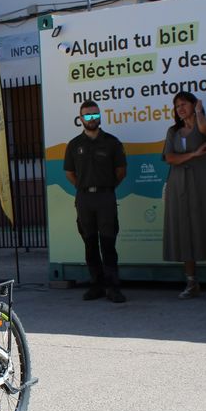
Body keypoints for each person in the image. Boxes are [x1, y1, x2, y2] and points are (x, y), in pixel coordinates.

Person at [162, 91, 206, 300]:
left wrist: (199, 113)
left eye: (184, 104)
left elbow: (205, 131)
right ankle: (191, 282)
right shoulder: (173, 131)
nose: (180, 109)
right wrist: (193, 154)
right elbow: (169, 157)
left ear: (194, 105)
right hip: (179, 184)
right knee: (184, 230)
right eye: (177, 106)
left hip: (203, 182)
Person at [64, 100, 128, 303]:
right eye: (87, 115)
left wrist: (107, 187)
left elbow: (121, 171)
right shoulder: (74, 145)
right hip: (84, 199)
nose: (92, 119)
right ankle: (96, 285)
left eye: (95, 115)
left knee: (108, 243)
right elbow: (69, 173)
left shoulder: (112, 143)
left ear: (100, 116)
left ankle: (113, 287)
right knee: (90, 243)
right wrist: (84, 186)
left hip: (105, 197)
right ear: (81, 118)